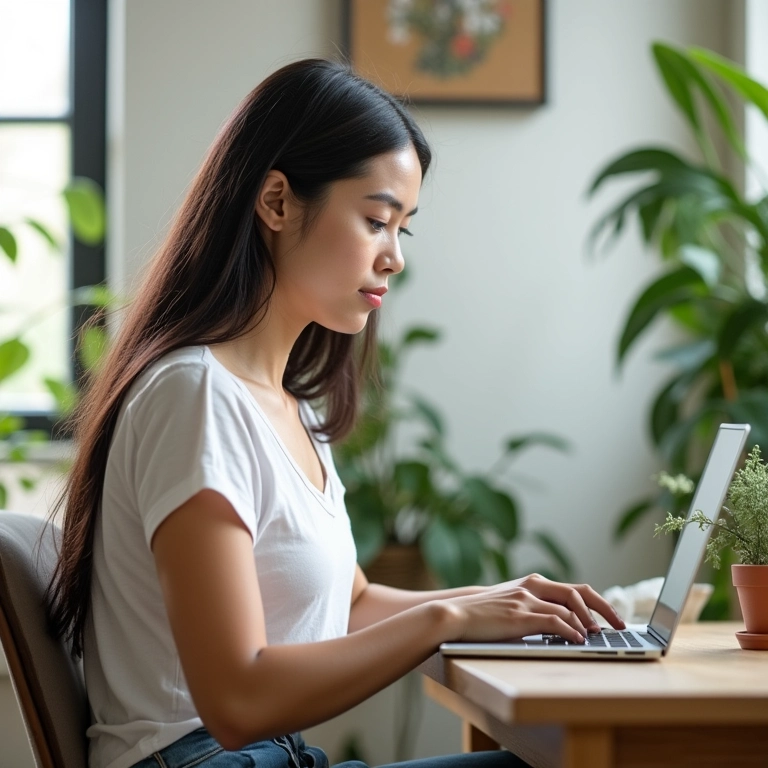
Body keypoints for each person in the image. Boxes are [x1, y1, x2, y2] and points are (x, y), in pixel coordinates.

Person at [45, 58, 625, 768]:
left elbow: (347, 607)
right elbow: (236, 701)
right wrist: (449, 617)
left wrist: (509, 602)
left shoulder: (286, 405)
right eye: (377, 220)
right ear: (278, 202)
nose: (394, 258)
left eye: (403, 230)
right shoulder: (195, 395)